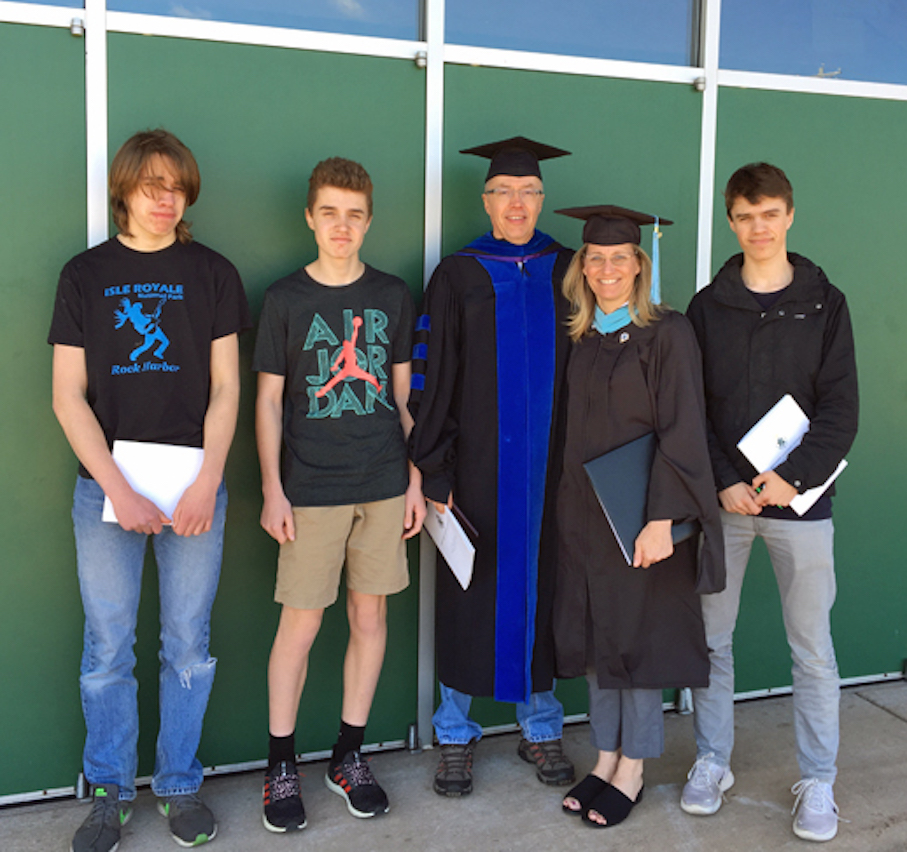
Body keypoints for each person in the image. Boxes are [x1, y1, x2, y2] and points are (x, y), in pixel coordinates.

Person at [49, 128, 251, 852]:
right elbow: (68, 397)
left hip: (194, 487)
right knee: (107, 646)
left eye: (176, 186)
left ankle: (177, 784)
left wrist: (208, 481)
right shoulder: (85, 274)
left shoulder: (213, 273)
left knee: (187, 646)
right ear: (124, 190)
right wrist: (118, 490)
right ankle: (108, 789)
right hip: (107, 492)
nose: (165, 198)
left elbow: (227, 388)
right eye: (150, 185)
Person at [682, 163, 858, 842]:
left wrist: (794, 479)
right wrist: (723, 477)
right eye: (745, 216)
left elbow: (841, 408)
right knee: (711, 641)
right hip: (725, 503)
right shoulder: (708, 306)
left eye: (769, 214)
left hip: (801, 508)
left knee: (811, 648)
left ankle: (817, 781)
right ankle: (711, 761)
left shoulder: (824, 302)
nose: (758, 228)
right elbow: (690, 405)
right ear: (731, 221)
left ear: (788, 215)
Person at [253, 157, 425, 832]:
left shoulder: (391, 293)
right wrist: (272, 488)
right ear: (309, 217)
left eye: (354, 214)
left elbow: (403, 392)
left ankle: (347, 756)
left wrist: (414, 476)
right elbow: (267, 402)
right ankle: (280, 764)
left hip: (382, 482)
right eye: (329, 212)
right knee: (299, 625)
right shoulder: (284, 300)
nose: (342, 226)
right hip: (311, 488)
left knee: (370, 619)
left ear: (369, 220)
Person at [409, 136, 576, 796]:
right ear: (485, 200)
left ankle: (541, 725)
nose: (516, 203)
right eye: (504, 191)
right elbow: (432, 378)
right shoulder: (457, 274)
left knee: (545, 593)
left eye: (528, 192)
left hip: (554, 472)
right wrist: (435, 469)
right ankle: (453, 732)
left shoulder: (568, 267)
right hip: (476, 470)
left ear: (542, 198)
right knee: (468, 595)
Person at [551, 205, 725, 828]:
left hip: (642, 521)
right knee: (600, 638)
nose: (606, 269)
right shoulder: (582, 337)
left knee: (640, 641)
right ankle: (604, 757)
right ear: (582, 268)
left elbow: (683, 430)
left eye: (619, 258)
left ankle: (634, 767)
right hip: (585, 517)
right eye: (595, 258)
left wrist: (661, 519)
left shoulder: (667, 334)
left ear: (639, 265)